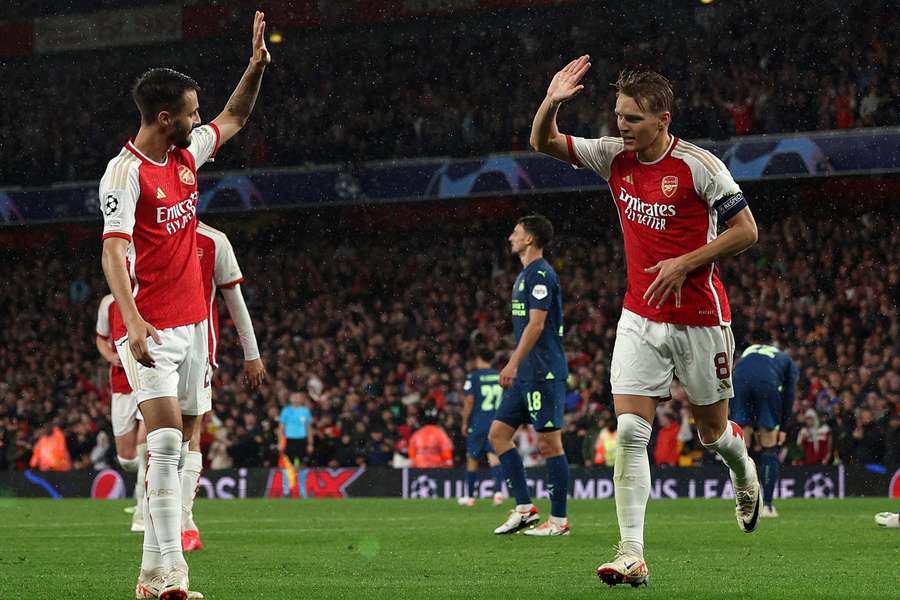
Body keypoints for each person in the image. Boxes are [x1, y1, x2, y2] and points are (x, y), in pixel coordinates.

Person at [530, 58, 760, 585]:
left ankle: (742, 467)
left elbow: (747, 231)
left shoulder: (700, 166)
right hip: (640, 315)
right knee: (632, 432)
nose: (620, 126)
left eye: (632, 118)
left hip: (700, 319)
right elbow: (544, 142)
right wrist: (551, 101)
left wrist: (686, 260)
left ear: (662, 119)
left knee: (711, 432)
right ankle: (631, 553)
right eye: (618, 115)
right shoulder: (613, 158)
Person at [99, 11, 270, 599]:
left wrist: (254, 67)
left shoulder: (186, 156)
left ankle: (150, 578)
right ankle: (174, 575)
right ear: (164, 118)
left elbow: (236, 116)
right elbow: (113, 256)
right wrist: (136, 320)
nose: (200, 121)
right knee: (166, 440)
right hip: (147, 326)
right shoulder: (124, 175)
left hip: (194, 324)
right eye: (191, 113)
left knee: (184, 441)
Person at [181, 221, 267, 552]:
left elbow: (235, 299)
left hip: (199, 348)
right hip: (154, 344)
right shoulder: (146, 232)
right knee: (159, 437)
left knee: (189, 433)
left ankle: (183, 521)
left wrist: (252, 352)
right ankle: (161, 514)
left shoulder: (214, 242)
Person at [489, 215, 571, 537]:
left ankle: (559, 521)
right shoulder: (524, 275)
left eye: (516, 232)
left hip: (543, 372)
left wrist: (511, 362)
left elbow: (537, 324)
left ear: (530, 240)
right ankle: (524, 508)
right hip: (526, 375)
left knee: (550, 444)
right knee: (498, 433)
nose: (510, 236)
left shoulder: (541, 275)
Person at [96, 293, 148, 532]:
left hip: (150, 377)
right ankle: (163, 472)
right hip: (121, 385)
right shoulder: (108, 303)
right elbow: (101, 339)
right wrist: (110, 356)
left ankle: (142, 511)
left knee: (145, 448)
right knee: (127, 459)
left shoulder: (150, 293)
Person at [730, 343, 799, 518]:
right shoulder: (787, 361)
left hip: (738, 379)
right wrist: (783, 428)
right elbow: (789, 396)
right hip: (767, 382)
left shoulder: (748, 352)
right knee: (769, 444)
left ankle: (745, 502)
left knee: (742, 448)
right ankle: (767, 505)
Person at [458, 347, 506, 507]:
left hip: (478, 422)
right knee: (494, 457)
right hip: (496, 422)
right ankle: (498, 493)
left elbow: (469, 400)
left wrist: (465, 422)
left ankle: (470, 497)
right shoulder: (500, 375)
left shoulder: (474, 376)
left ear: (479, 359)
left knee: (472, 457)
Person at [408, 404, 454, 468]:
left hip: (420, 466)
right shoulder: (440, 433)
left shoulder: (418, 433)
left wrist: (413, 462)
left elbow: (411, 450)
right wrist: (449, 463)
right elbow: (446, 449)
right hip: (436, 466)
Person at [278, 392, 314, 468]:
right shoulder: (286, 411)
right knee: (288, 459)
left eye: (298, 397)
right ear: (290, 399)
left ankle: (298, 473)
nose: (296, 399)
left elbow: (309, 428)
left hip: (301, 439)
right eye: (294, 397)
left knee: (299, 460)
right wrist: (280, 442)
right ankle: (290, 475)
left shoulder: (305, 411)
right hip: (289, 439)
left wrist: (310, 444)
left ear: (302, 399)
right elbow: (281, 428)